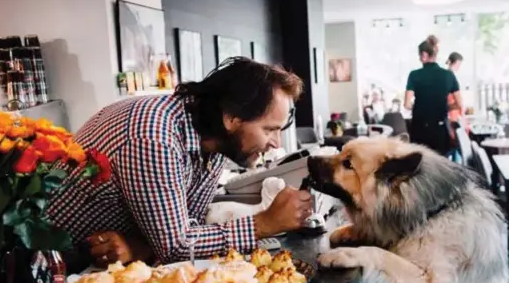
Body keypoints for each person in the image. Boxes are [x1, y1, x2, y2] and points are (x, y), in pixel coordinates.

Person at [46, 57, 313, 266]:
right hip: (50, 264)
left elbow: (187, 229)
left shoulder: (214, 146)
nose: (277, 143)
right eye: (269, 130)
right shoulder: (154, 137)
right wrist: (265, 223)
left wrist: (142, 245)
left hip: (101, 263)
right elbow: (177, 248)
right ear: (232, 117)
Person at [404, 35, 462, 156]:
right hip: (440, 130)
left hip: (419, 130)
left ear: (424, 55)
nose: (419, 58)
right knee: (441, 166)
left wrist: (421, 107)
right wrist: (445, 107)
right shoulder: (448, 75)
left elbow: (407, 104)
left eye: (420, 55)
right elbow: (459, 104)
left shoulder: (414, 75)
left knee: (421, 167)